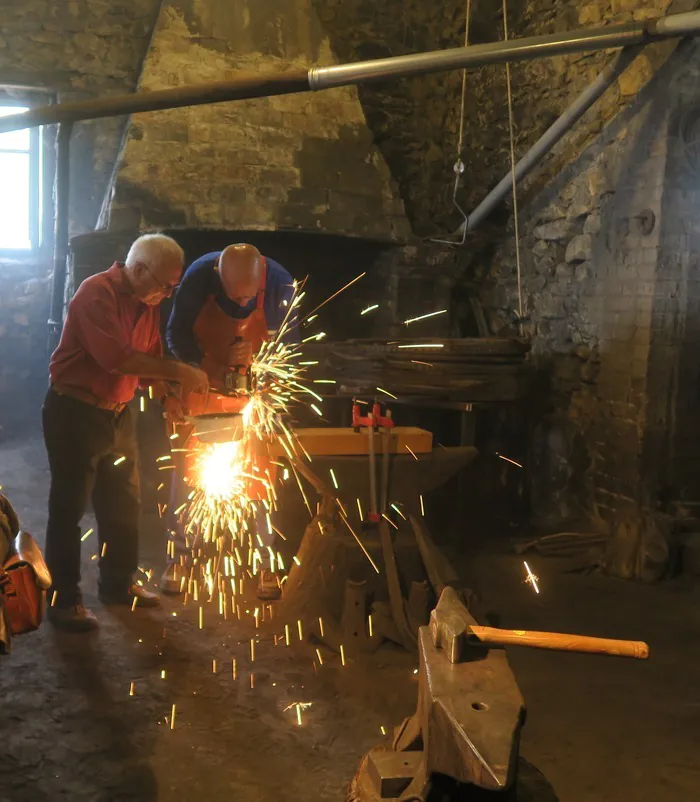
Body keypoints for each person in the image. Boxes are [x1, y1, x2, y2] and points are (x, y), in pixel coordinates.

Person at [43, 234, 210, 632]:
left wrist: (169, 394)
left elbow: (149, 359)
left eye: (175, 286)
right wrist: (182, 372)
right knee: (69, 508)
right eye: (165, 285)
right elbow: (117, 359)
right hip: (75, 413)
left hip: (117, 414)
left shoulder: (144, 303)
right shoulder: (95, 294)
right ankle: (63, 600)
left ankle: (118, 583)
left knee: (123, 502)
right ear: (138, 270)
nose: (168, 295)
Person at [164, 244, 296, 599]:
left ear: (261, 282)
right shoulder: (197, 277)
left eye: (247, 297)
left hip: (253, 394)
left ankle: (267, 562)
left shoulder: (282, 284)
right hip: (203, 384)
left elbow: (293, 348)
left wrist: (255, 360)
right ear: (218, 277)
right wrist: (206, 362)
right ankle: (179, 556)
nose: (240, 304)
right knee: (189, 470)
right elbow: (174, 335)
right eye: (232, 295)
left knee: (260, 477)